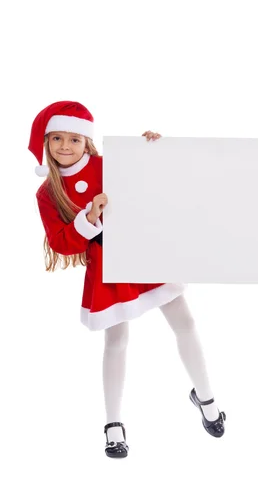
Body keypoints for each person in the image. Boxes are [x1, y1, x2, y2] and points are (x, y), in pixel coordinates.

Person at [30, 101, 226, 458]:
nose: (64, 146)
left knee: (185, 322)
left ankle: (206, 396)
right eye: (56, 137)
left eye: (74, 139)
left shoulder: (111, 164)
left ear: (87, 142)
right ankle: (114, 424)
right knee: (116, 341)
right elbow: (60, 243)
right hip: (107, 270)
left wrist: (147, 152)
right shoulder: (47, 193)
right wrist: (88, 217)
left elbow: (152, 188)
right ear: (46, 141)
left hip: (145, 254)